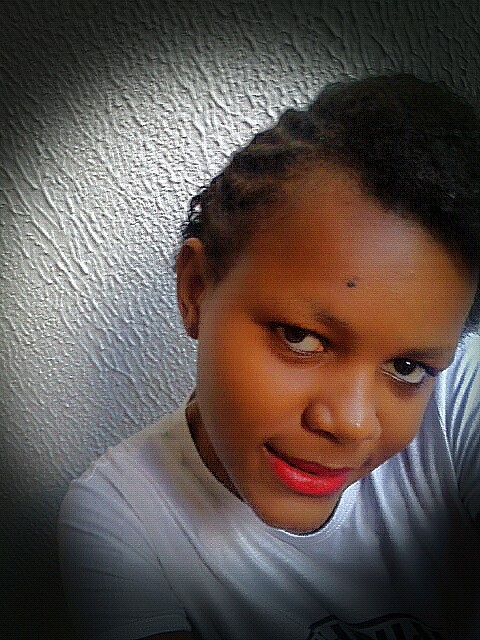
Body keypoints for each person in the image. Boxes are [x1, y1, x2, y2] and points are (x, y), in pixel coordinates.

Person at [58, 74, 480, 640]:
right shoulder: (123, 521)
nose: (351, 424)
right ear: (196, 291)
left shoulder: (457, 400)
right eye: (299, 338)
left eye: (407, 368)